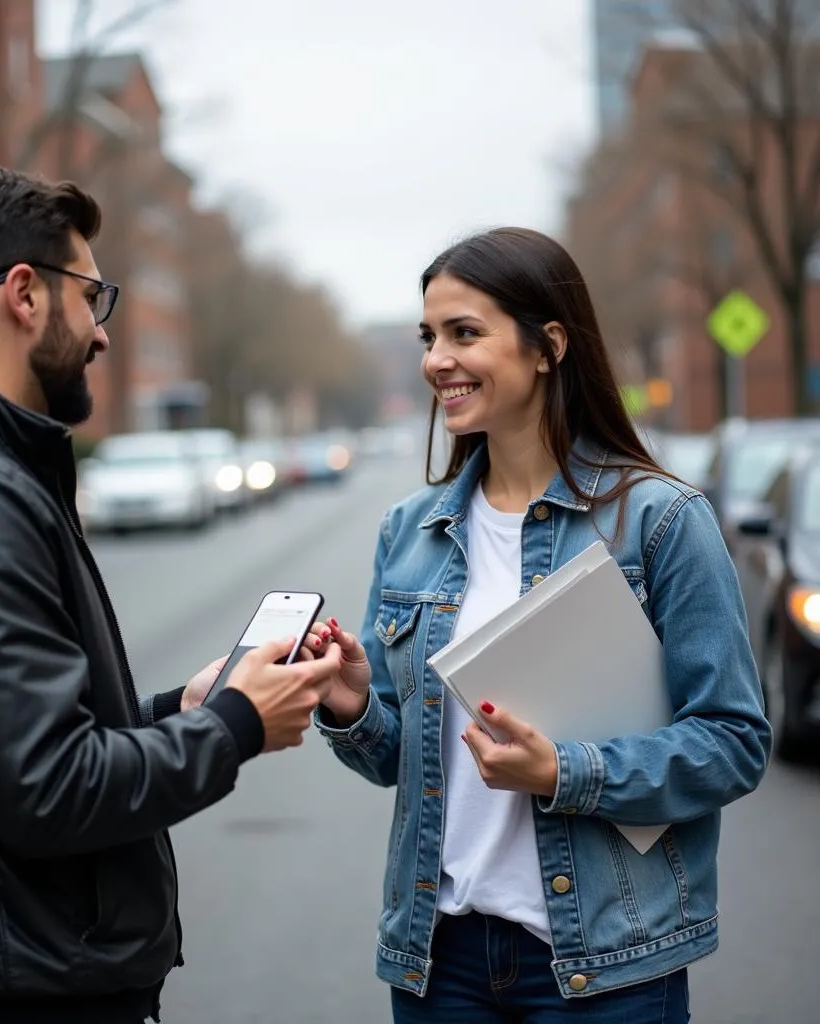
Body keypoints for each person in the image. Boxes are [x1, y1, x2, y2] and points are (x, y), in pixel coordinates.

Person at [0, 166, 341, 1024]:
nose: (102, 333)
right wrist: (236, 724)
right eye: (92, 297)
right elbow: (48, 791)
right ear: (25, 296)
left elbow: (4, 756)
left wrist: (182, 707)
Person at [306, 228, 771, 1023]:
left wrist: (565, 772)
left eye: (464, 333)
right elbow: (396, 762)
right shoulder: (409, 533)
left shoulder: (658, 522)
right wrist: (352, 708)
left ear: (548, 346)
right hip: (439, 959)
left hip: (608, 967)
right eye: (428, 337)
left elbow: (732, 743)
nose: (436, 361)